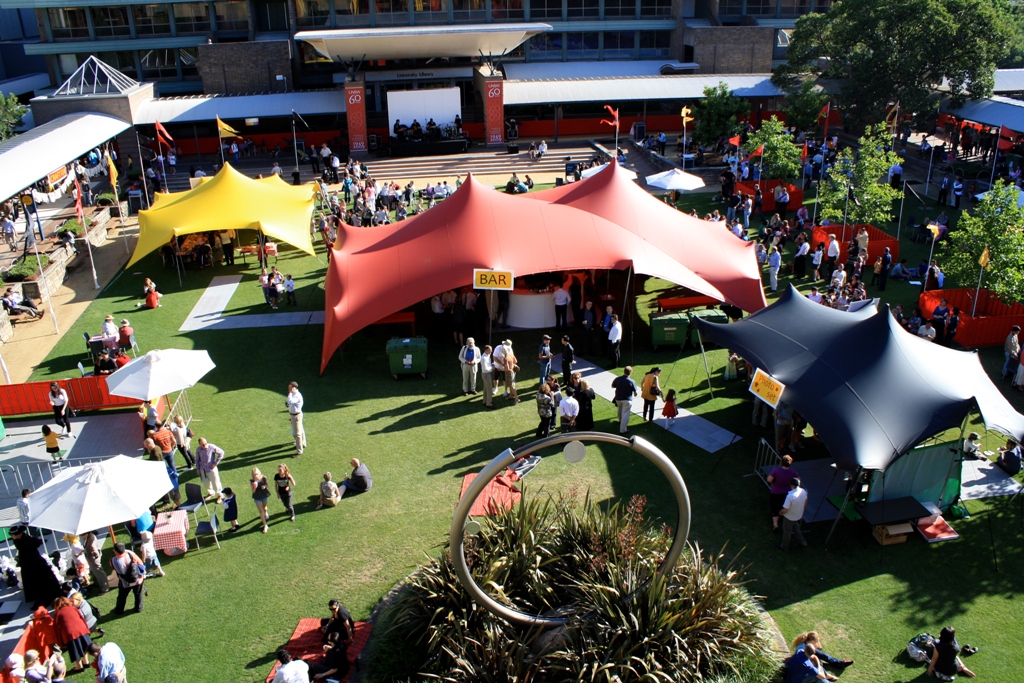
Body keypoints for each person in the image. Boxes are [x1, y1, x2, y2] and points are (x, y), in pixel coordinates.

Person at [10, 526, 61, 608]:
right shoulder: (18, 540)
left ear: (18, 534)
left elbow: (35, 545)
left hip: (35, 564)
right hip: (27, 565)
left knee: (39, 582)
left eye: (13, 535)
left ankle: (43, 597)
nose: (12, 537)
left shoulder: (27, 540)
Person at [52, 596, 92, 673]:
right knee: (84, 647)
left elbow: (56, 628)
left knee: (75, 650)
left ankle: (79, 667)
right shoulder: (73, 608)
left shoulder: (58, 614)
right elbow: (82, 618)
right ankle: (86, 662)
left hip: (70, 634)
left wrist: (60, 641)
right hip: (82, 629)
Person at [767, 455, 800, 533]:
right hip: (786, 493)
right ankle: (785, 521)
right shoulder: (792, 472)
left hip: (775, 492)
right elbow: (798, 481)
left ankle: (775, 524)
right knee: (784, 506)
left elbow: (769, 479)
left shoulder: (776, 470)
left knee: (775, 507)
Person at [109, 542, 144, 614]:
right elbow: (140, 563)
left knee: (122, 596)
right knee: (138, 594)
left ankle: (119, 610)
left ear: (115, 551)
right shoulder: (131, 555)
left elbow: (113, 567)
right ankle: (138, 608)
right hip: (137, 579)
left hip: (124, 582)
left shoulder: (112, 561)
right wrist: (142, 576)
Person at [778, 477, 807, 552]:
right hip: (798, 515)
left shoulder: (790, 496)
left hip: (789, 517)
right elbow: (805, 501)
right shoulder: (803, 491)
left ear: (791, 485)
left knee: (787, 531)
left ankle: (784, 546)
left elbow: (785, 509)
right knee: (795, 527)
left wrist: (780, 513)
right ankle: (802, 542)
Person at [611, 366, 638, 434]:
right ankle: (623, 430)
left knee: (619, 409)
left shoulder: (618, 379)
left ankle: (620, 420)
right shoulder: (631, 381)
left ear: (624, 371)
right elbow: (635, 392)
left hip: (618, 398)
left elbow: (612, 386)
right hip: (627, 400)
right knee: (625, 414)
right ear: (630, 373)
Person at [285, 382, 306, 456]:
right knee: (301, 430)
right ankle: (303, 443)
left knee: (298, 434)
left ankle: (299, 451)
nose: (289, 389)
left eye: (290, 388)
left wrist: (290, 393)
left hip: (296, 416)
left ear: (294, 388)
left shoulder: (297, 395)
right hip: (293, 415)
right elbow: (288, 402)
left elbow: (290, 401)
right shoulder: (293, 394)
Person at [251, 467, 271, 533]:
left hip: (264, 495)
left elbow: (267, 484)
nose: (255, 476)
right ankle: (265, 525)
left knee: (264, 508)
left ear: (259, 474)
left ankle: (266, 512)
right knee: (261, 511)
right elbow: (253, 492)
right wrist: (254, 487)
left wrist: (265, 486)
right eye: (254, 475)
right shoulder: (252, 482)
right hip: (257, 497)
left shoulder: (264, 478)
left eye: (256, 474)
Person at [501, 340, 520, 405]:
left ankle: (516, 398)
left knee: (511, 386)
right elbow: (515, 361)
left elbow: (507, 369)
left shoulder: (505, 358)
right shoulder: (511, 354)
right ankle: (511, 396)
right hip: (513, 371)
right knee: (512, 384)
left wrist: (502, 368)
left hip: (509, 373)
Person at [480, 344, 495, 409]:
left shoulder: (487, 355)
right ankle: (489, 403)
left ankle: (485, 401)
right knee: (489, 388)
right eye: (490, 350)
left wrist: (491, 365)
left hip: (487, 374)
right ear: (486, 350)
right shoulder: (484, 358)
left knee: (485, 388)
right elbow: (485, 369)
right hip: (486, 374)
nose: (491, 351)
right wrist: (492, 368)